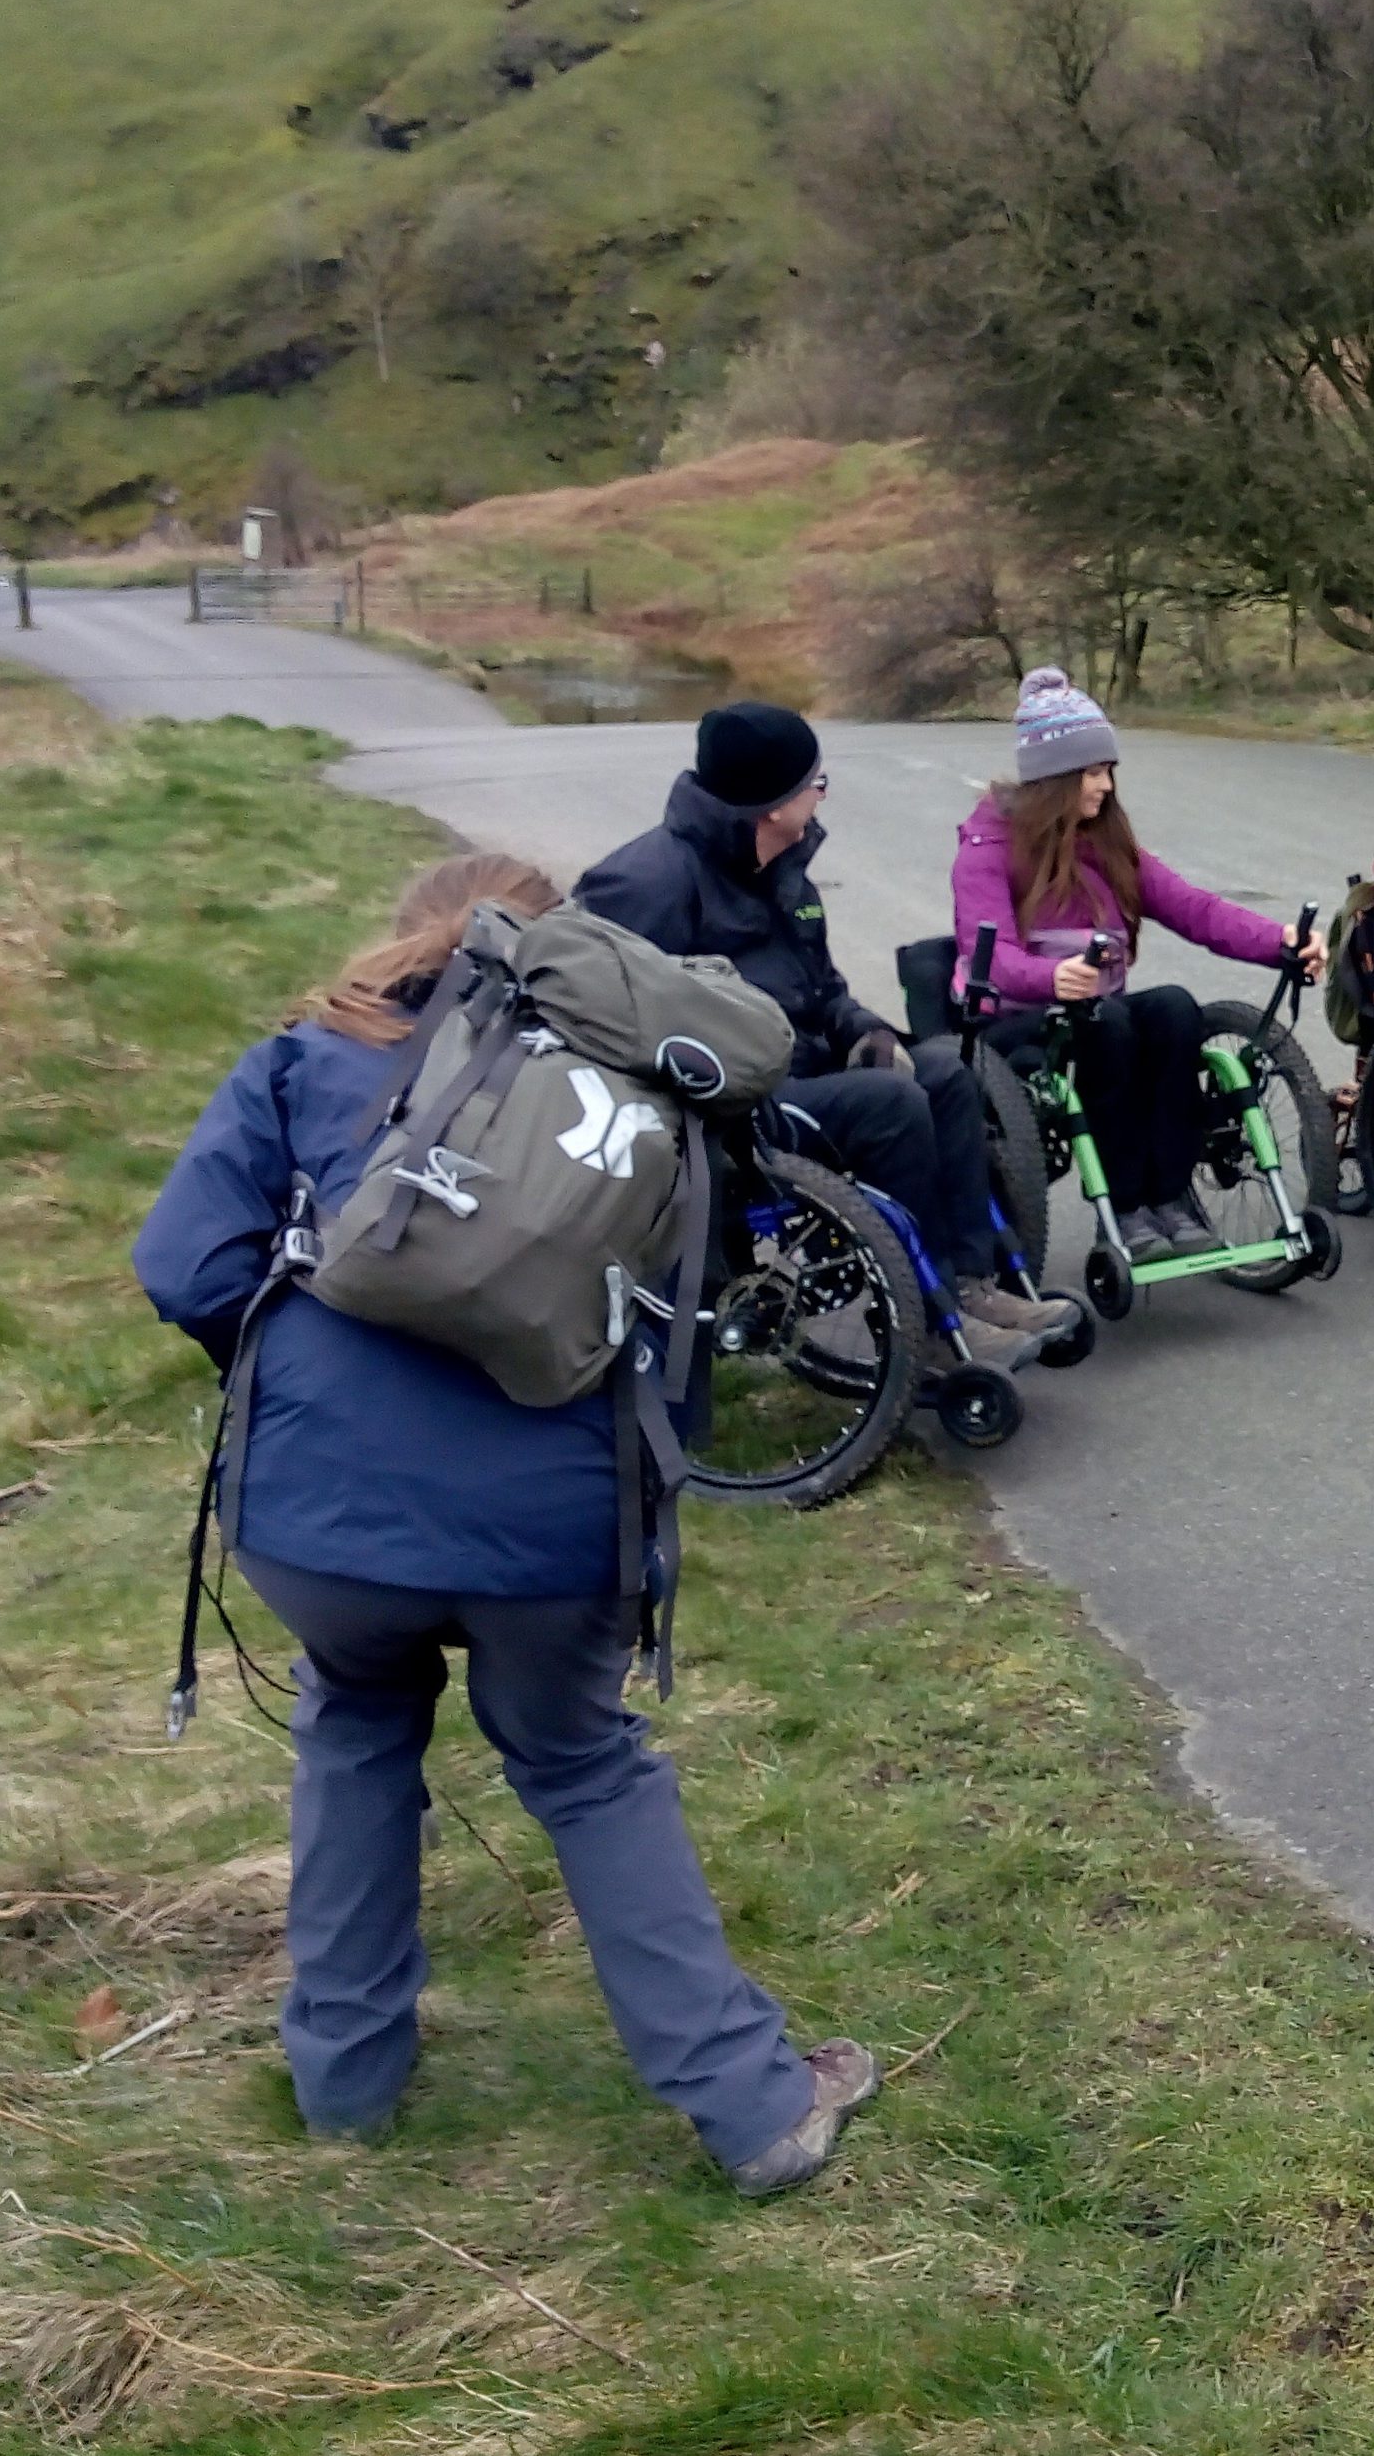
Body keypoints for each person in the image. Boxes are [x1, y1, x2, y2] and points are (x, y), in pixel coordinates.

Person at [130, 852, 878, 2191]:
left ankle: (344, 2087)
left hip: (318, 1521)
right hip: (554, 1517)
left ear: (403, 927)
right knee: (582, 1762)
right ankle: (755, 2108)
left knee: (356, 1725)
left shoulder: (303, 1058)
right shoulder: (643, 1083)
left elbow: (183, 1264)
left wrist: (299, 1381)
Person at [577, 702, 1076, 1359]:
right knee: (890, 1105)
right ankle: (928, 1326)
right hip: (727, 1107)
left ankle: (970, 1283)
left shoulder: (782, 868)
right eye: (815, 782)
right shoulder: (647, 882)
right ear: (772, 801)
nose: (822, 794)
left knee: (944, 1073)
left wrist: (865, 1030)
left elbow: (823, 988)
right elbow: (607, 1015)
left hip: (799, 1072)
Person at [950, 667, 1325, 1264]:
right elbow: (983, 959)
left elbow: (1194, 909)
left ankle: (1170, 1198)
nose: (1105, 786)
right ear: (1057, 777)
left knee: (1174, 1007)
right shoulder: (988, 849)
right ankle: (1124, 1208)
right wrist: (1052, 979)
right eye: (1094, 772)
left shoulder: (1107, 844)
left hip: (1092, 1009)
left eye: (1107, 771)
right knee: (1109, 1025)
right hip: (1018, 1020)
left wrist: (1278, 940)